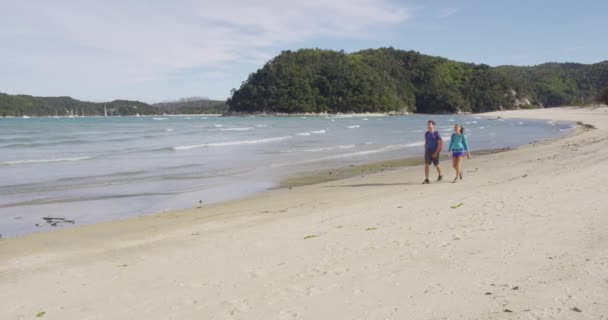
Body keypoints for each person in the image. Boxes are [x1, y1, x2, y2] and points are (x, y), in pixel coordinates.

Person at [423, 120, 443, 184]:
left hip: (435, 151)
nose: (428, 126)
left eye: (430, 124)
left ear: (433, 125)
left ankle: (440, 174)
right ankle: (427, 179)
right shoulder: (426, 133)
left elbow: (440, 143)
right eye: (428, 124)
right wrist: (425, 149)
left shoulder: (436, 133)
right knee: (426, 164)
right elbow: (426, 142)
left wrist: (436, 153)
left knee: (436, 164)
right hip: (428, 151)